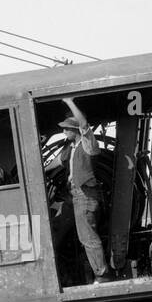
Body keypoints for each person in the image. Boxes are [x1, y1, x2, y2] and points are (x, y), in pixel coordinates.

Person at [56, 97, 110, 283]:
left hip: (85, 196)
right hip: (78, 196)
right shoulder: (72, 147)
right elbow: (58, 162)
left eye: (66, 129)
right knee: (84, 236)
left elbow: (84, 124)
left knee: (88, 237)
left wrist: (69, 102)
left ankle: (102, 275)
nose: (63, 132)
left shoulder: (88, 144)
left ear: (75, 130)